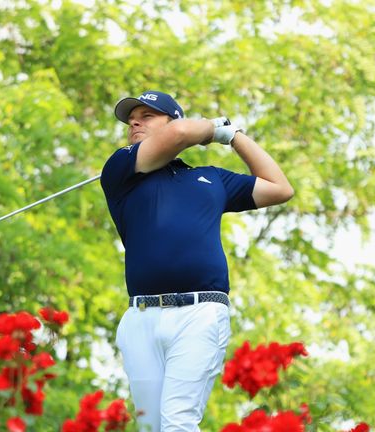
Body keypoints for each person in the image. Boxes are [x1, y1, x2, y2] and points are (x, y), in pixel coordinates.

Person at [100, 90, 294, 431]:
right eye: (132, 117)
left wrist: (234, 137)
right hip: (141, 317)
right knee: (152, 427)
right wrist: (210, 129)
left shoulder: (211, 178)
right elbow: (177, 135)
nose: (134, 121)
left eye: (147, 116)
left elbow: (279, 188)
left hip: (200, 312)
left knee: (178, 422)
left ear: (174, 118)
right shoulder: (121, 169)